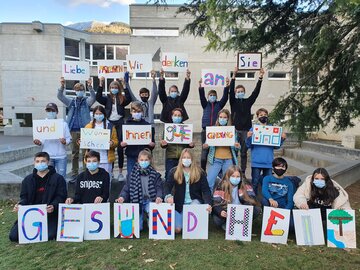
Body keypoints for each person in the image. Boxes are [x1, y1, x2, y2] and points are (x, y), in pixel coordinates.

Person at [9, 152, 67, 242]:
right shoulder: (27, 180)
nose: (40, 163)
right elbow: (24, 197)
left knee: (50, 236)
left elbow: (61, 196)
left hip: (49, 214)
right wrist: (20, 205)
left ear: (48, 162)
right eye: (38, 161)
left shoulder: (58, 178)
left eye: (43, 161)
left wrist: (53, 206)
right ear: (34, 163)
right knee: (13, 236)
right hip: (31, 214)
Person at [164, 148, 212, 233]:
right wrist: (168, 196)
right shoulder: (174, 171)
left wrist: (208, 204)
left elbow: (206, 190)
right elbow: (167, 186)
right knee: (177, 230)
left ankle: (191, 221)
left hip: (194, 202)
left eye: (188, 157)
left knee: (189, 227)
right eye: (184, 157)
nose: (186, 160)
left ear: (192, 159)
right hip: (179, 204)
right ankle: (182, 220)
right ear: (181, 159)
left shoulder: (200, 172)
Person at [57, 77, 96, 181]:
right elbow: (60, 96)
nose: (79, 92)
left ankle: (84, 172)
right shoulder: (71, 102)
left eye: (81, 90)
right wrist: (62, 86)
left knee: (85, 153)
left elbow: (93, 97)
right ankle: (74, 174)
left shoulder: (86, 102)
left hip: (85, 131)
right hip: (73, 130)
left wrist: (90, 86)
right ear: (75, 91)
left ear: (83, 91)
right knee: (74, 153)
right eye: (77, 90)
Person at [116, 149, 163, 231]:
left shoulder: (155, 174)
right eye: (141, 160)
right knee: (138, 229)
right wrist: (122, 197)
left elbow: (159, 188)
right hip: (137, 201)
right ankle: (140, 218)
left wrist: (159, 197)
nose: (143, 162)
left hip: (150, 200)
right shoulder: (132, 175)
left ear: (150, 160)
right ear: (138, 160)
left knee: (154, 227)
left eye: (146, 160)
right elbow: (126, 189)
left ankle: (149, 216)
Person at [229, 67, 265, 176]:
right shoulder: (233, 102)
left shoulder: (248, 101)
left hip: (246, 131)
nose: (240, 93)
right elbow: (230, 91)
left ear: (244, 92)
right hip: (235, 130)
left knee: (244, 153)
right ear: (235, 93)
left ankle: (243, 172)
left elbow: (256, 93)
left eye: (242, 91)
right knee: (234, 152)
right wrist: (233, 76)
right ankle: (234, 171)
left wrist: (260, 78)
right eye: (238, 91)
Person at [96, 76, 131, 179]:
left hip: (119, 122)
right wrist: (101, 83)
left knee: (120, 147)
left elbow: (129, 99)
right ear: (110, 89)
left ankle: (120, 172)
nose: (114, 89)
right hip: (110, 123)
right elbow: (98, 97)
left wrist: (124, 85)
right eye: (112, 87)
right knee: (109, 145)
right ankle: (110, 171)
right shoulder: (107, 99)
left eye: (116, 87)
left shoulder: (121, 98)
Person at [246, 108, 286, 195]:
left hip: (268, 162)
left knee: (268, 184)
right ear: (257, 117)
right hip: (256, 162)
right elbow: (248, 145)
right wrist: (248, 137)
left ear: (267, 116)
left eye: (265, 115)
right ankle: (254, 202)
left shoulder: (272, 129)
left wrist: (282, 139)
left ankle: (266, 202)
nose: (263, 117)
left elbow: (276, 146)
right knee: (255, 183)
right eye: (261, 115)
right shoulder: (253, 130)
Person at [212, 165, 261, 230]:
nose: (235, 178)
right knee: (217, 219)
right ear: (228, 176)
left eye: (238, 176)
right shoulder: (221, 186)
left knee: (257, 210)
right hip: (227, 211)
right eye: (233, 176)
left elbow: (252, 198)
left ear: (241, 177)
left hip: (241, 210)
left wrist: (246, 207)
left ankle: (243, 223)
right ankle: (226, 224)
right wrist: (220, 211)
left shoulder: (245, 184)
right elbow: (215, 202)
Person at [204, 109, 240, 192]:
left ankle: (226, 201)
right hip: (216, 159)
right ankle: (209, 201)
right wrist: (205, 145)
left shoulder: (232, 130)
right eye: (220, 117)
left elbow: (236, 147)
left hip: (228, 160)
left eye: (225, 117)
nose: (222, 119)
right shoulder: (213, 129)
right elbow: (207, 144)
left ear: (228, 119)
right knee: (209, 181)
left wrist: (237, 146)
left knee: (228, 182)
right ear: (218, 118)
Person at [33, 103, 71, 178]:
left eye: (52, 110)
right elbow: (40, 141)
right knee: (47, 178)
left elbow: (68, 139)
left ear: (57, 112)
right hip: (47, 156)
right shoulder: (42, 124)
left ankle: (62, 190)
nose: (50, 112)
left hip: (61, 156)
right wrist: (38, 142)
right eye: (48, 111)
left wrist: (65, 142)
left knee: (62, 178)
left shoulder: (63, 124)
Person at [199, 77, 229, 171]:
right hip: (206, 131)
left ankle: (219, 172)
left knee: (217, 153)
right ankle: (203, 171)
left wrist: (227, 86)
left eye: (214, 95)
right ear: (208, 97)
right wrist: (201, 87)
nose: (212, 96)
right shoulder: (205, 104)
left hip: (217, 130)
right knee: (204, 154)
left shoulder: (219, 105)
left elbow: (225, 97)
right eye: (210, 95)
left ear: (216, 97)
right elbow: (201, 96)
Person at [81, 105, 118, 175]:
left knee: (106, 180)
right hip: (92, 159)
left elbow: (116, 141)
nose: (98, 115)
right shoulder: (88, 126)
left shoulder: (110, 126)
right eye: (96, 114)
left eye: (100, 114)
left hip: (106, 159)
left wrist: (112, 143)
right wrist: (80, 142)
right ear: (94, 115)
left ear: (104, 114)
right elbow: (83, 141)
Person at [120, 101, 155, 175]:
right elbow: (121, 140)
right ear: (131, 112)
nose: (137, 113)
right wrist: (122, 144)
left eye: (139, 111)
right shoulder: (126, 125)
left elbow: (152, 142)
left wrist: (152, 145)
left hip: (144, 157)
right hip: (131, 155)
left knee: (145, 175)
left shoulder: (147, 126)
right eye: (134, 111)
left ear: (142, 112)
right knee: (131, 175)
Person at [160, 108, 195, 180]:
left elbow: (188, 143)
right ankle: (168, 191)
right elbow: (163, 144)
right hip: (171, 157)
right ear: (172, 116)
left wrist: (191, 145)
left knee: (182, 176)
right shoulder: (168, 129)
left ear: (182, 117)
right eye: (175, 115)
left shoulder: (186, 129)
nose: (177, 117)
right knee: (169, 175)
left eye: (179, 115)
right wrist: (163, 144)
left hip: (183, 157)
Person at [125, 70, 158, 141]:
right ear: (139, 95)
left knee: (150, 143)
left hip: (150, 125)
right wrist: (126, 83)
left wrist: (154, 80)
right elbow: (130, 94)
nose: (144, 96)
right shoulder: (137, 103)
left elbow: (155, 93)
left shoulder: (151, 102)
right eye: (142, 95)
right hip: (139, 125)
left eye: (146, 95)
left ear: (149, 95)